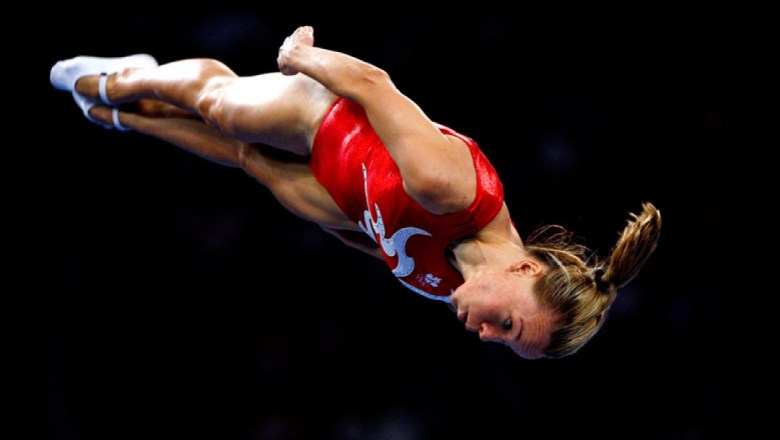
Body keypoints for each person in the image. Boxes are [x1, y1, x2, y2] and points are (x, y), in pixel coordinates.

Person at [50, 26, 661, 359]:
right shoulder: (450, 189)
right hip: (322, 115)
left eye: (503, 342)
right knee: (218, 107)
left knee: (249, 163)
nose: (486, 335)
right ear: (527, 266)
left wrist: (336, 221)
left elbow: (382, 251)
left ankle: (117, 117)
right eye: (506, 323)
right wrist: (302, 58)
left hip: (347, 197)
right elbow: (375, 85)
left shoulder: (454, 286)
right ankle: (122, 76)